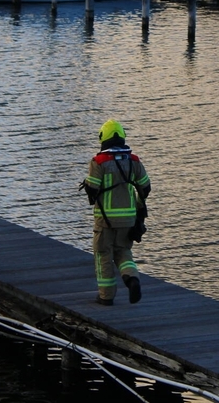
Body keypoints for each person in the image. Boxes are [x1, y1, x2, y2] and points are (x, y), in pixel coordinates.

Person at [83, 119, 151, 306]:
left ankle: (106, 296)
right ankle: (132, 279)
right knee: (123, 252)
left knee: (103, 254)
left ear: (103, 138)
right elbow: (145, 187)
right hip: (128, 219)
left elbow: (92, 189)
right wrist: (138, 208)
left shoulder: (99, 162)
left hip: (105, 221)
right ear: (122, 137)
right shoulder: (134, 160)